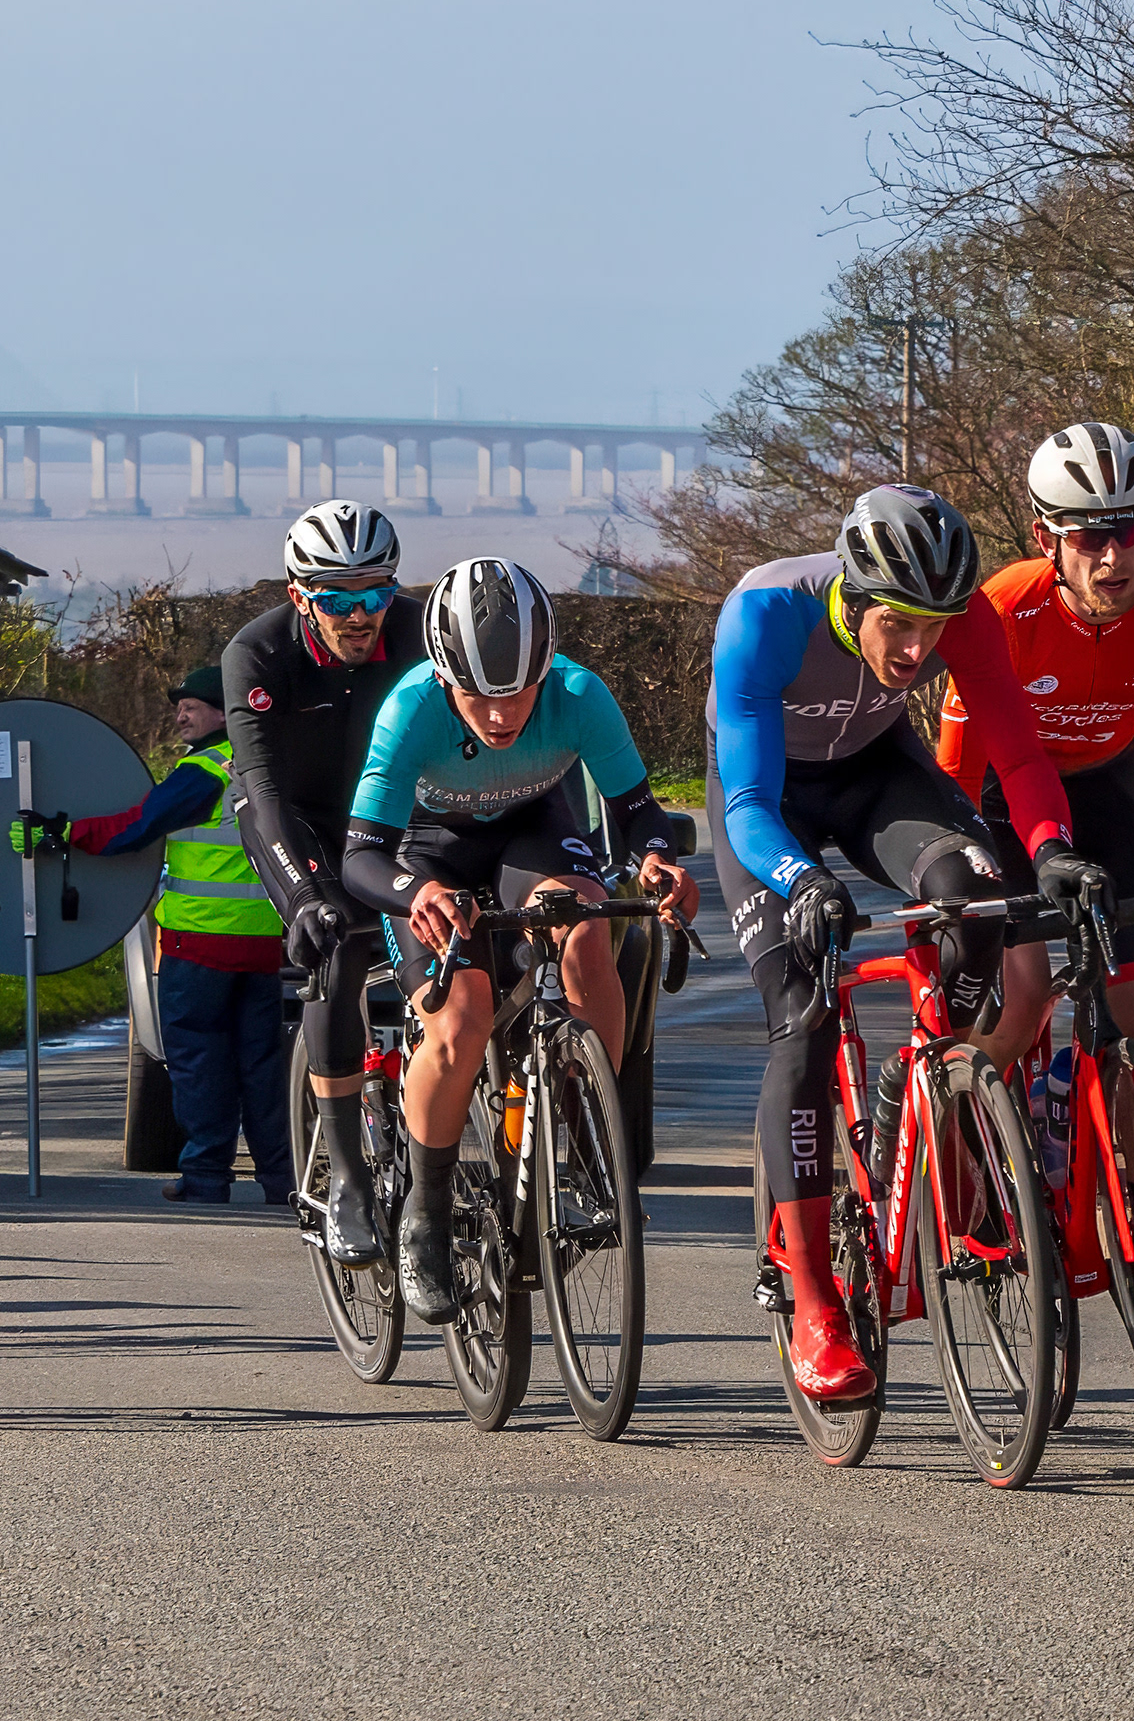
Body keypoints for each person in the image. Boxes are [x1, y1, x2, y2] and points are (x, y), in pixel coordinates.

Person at [707, 484, 1107, 1404]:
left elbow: (1018, 753)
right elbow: (747, 804)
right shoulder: (765, 616)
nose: (918, 651)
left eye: (934, 627)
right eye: (897, 624)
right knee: (803, 1015)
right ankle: (816, 1305)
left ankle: (924, 1082)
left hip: (877, 776)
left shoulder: (961, 619)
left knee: (978, 898)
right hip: (766, 802)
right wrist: (803, 880)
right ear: (852, 596)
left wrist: (1051, 851)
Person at [342, 558, 696, 1323]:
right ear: (444, 676)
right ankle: (426, 1212)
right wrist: (416, 894)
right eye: (479, 695)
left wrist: (655, 858)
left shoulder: (579, 694)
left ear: (546, 669)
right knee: (462, 1017)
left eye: (519, 692)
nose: (501, 715)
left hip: (533, 832)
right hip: (429, 853)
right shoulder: (411, 708)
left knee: (585, 929)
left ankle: (590, 1139)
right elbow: (362, 855)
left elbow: (638, 811)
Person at [935, 422, 1134, 1089]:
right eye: (1088, 538)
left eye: (1128, 531)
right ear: (1047, 540)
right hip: (1003, 801)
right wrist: (951, 864)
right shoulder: (1005, 608)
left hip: (1106, 786)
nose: (1112, 558)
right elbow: (957, 765)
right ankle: (955, 1126)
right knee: (1023, 1001)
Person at [224, 500, 424, 1263]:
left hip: (389, 816)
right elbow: (264, 791)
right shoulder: (259, 653)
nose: (360, 615)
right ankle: (345, 1176)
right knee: (333, 948)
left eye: (376, 594)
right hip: (296, 816)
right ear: (298, 595)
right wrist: (306, 897)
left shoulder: (420, 632)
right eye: (337, 600)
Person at [63, 666, 292, 1205]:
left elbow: (137, 827)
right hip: (263, 944)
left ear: (223, 714)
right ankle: (282, 1182)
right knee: (262, 1069)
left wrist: (67, 832)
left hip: (199, 945)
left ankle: (206, 1179)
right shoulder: (268, 766)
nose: (180, 716)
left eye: (192, 706)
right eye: (178, 707)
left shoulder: (202, 770)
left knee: (200, 1064)